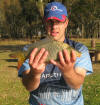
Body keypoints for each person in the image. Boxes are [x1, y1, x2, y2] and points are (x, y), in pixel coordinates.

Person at [18, 2, 93, 105]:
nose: (54, 27)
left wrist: (68, 71)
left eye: (59, 21)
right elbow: (28, 86)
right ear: (44, 22)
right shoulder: (31, 50)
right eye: (50, 22)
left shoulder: (80, 49)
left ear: (66, 23)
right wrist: (35, 74)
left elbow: (77, 84)